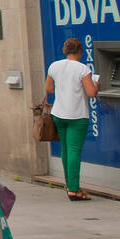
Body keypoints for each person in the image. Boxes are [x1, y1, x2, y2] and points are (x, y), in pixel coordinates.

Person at [46, 36, 99, 201]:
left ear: (65, 50)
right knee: (74, 150)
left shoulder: (54, 66)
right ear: (80, 51)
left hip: (59, 114)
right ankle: (74, 190)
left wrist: (64, 90)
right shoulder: (82, 69)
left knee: (65, 149)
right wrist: (96, 84)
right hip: (77, 115)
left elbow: (49, 88)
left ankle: (70, 185)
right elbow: (91, 93)